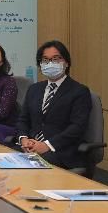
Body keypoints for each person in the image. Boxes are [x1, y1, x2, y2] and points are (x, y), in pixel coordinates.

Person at [17, 41, 91, 169]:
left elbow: (77, 127)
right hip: (31, 146)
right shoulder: (34, 89)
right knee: (3, 157)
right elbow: (23, 120)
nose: (50, 63)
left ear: (66, 63)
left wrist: (47, 145)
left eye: (56, 59)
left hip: (61, 150)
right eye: (45, 60)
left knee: (30, 166)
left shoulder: (79, 91)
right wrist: (24, 139)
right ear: (40, 64)